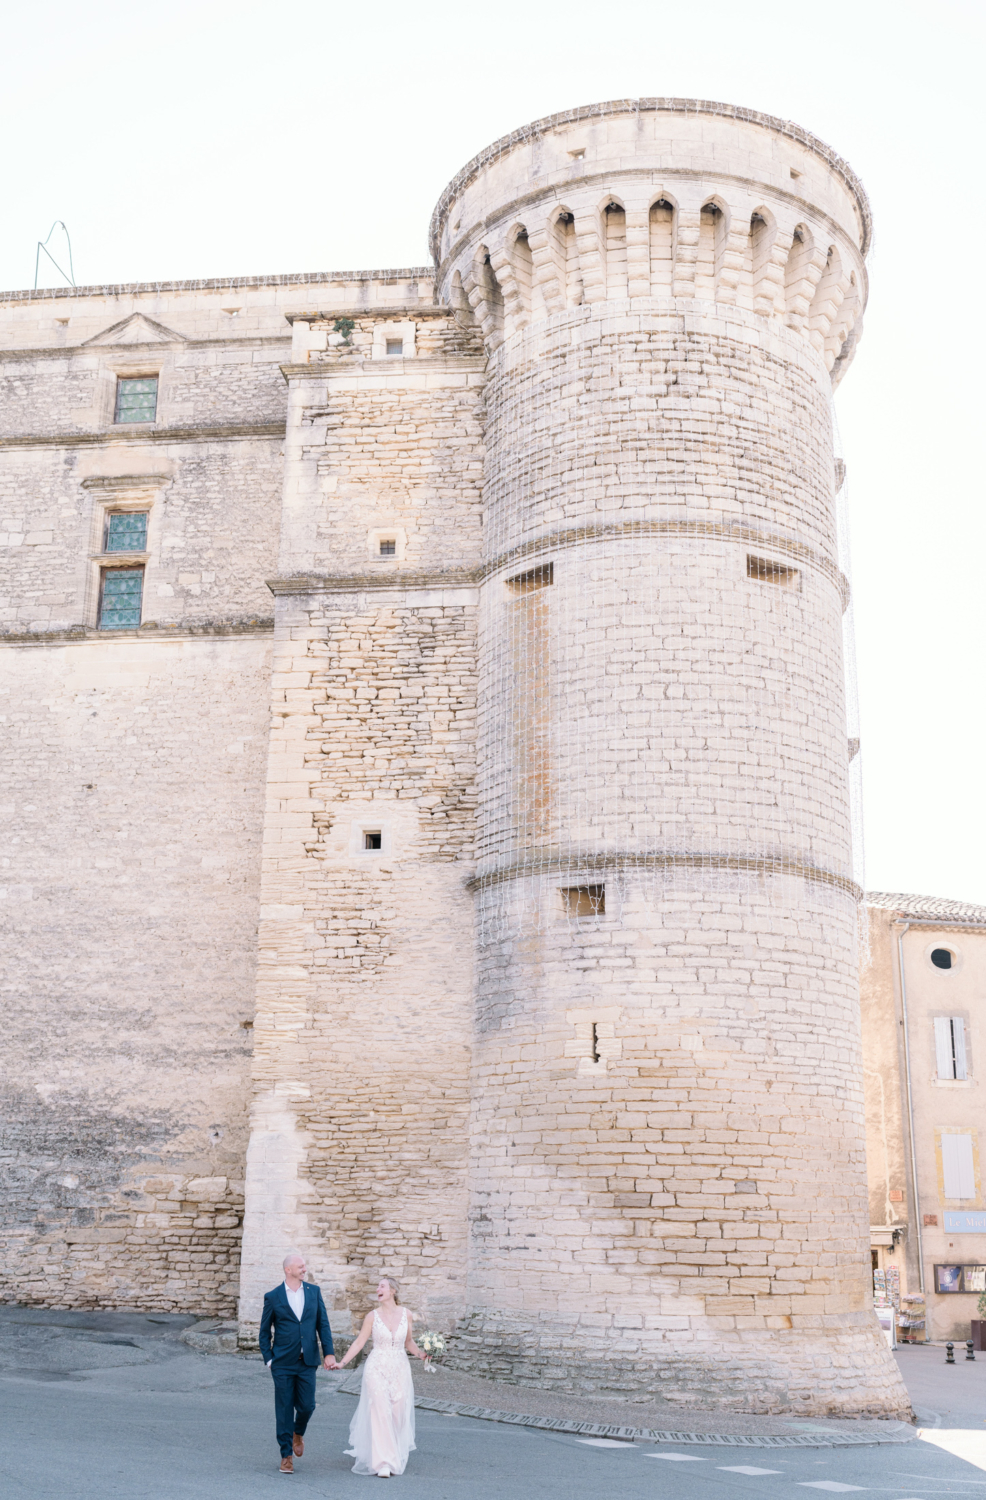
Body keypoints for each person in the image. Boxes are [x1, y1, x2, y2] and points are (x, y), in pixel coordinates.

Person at [335, 1276, 429, 1477]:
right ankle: (383, 1463)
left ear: (393, 1291)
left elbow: (409, 1341)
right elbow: (359, 1342)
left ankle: (391, 1450)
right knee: (380, 1411)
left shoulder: (407, 1314)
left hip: (400, 1368)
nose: (378, 1289)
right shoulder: (372, 1316)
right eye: (378, 1286)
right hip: (376, 1367)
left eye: (382, 1286)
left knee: (397, 1412)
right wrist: (342, 1362)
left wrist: (421, 1354)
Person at [259, 1252, 337, 1474]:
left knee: (307, 1406)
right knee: (284, 1409)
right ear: (288, 1269)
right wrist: (269, 1360)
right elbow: (264, 1332)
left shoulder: (314, 1292)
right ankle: (286, 1455)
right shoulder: (273, 1296)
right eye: (301, 1266)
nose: (305, 1269)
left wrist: (328, 1353)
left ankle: (298, 1432)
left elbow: (323, 1325)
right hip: (282, 1363)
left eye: (305, 1266)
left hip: (308, 1361)